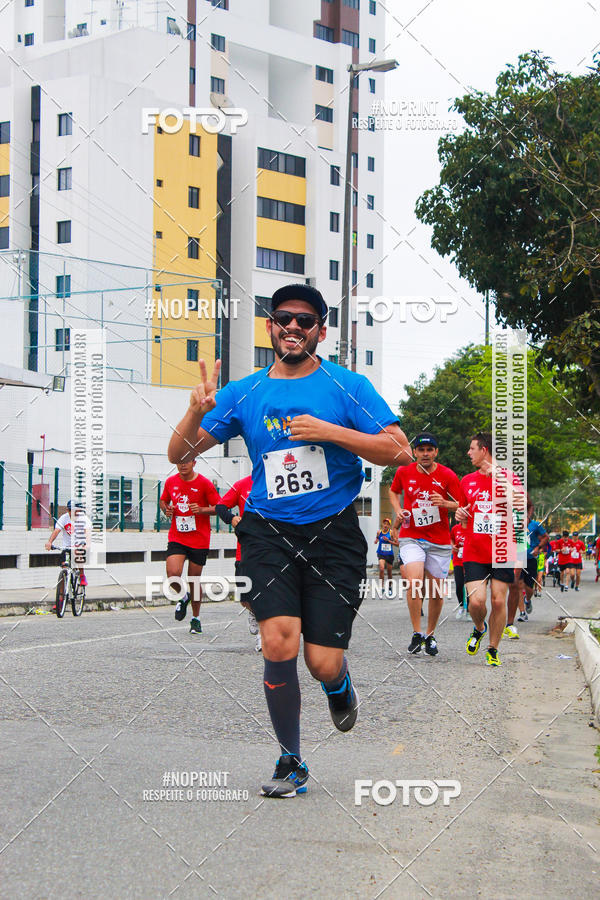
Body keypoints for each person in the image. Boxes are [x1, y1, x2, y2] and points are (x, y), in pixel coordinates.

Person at [168, 283, 411, 798]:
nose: (294, 327)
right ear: (270, 328)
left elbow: (399, 450)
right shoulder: (246, 391)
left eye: (306, 320)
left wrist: (332, 432)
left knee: (321, 660)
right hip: (267, 532)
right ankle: (291, 759)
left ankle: (338, 684)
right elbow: (179, 452)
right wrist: (195, 410)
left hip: (333, 535)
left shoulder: (348, 386)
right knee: (278, 639)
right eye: (284, 318)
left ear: (321, 331)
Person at [388, 433, 461, 657]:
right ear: (415, 453)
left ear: (436, 452)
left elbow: (461, 503)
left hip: (439, 540)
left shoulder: (447, 475)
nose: (425, 454)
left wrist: (445, 503)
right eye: (421, 450)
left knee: (437, 592)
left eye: (430, 450)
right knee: (415, 581)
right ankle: (417, 632)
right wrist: (398, 510)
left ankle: (430, 635)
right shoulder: (404, 472)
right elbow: (393, 491)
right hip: (411, 536)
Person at [456, 432, 524, 667]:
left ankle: (493, 649)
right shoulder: (466, 480)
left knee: (497, 602)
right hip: (475, 549)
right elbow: (463, 514)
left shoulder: (509, 477)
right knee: (476, 602)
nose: (468, 453)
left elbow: (519, 503)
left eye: (472, 448)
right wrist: (459, 514)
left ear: (484, 450)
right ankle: (479, 627)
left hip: (502, 550)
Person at [159, 461, 220, 634]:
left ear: (194, 462)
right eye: (179, 462)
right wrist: (166, 509)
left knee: (194, 579)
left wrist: (201, 510)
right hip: (177, 536)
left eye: (186, 461)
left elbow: (219, 507)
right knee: (172, 574)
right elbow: (163, 500)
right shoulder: (171, 482)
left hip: (199, 539)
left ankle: (196, 618)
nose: (183, 465)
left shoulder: (204, 483)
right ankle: (183, 597)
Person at [215, 475, 261, 651]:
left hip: (271, 551)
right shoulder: (242, 484)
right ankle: (252, 611)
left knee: (266, 594)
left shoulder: (278, 482)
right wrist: (232, 518)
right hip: (245, 551)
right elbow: (220, 506)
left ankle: (262, 637)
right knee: (245, 597)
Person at [45, 500, 89, 587]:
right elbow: (56, 531)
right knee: (64, 567)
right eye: (69, 510)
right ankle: (64, 589)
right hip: (67, 546)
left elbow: (87, 533)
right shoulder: (64, 518)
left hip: (79, 545)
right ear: (67, 510)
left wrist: (87, 545)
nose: (71, 513)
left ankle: (82, 575)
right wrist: (49, 542)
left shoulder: (83, 519)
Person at [518, 502, 548, 615]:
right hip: (518, 559)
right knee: (519, 585)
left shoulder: (535, 525)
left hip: (530, 559)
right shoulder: (514, 525)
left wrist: (538, 548)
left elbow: (545, 537)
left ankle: (528, 600)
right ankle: (522, 612)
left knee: (529, 587)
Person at [375, 517, 399, 596]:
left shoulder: (391, 533)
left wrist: (388, 540)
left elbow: (397, 544)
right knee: (381, 569)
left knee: (389, 572)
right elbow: (377, 538)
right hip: (381, 553)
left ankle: (389, 587)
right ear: (382, 524)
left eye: (387, 524)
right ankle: (381, 587)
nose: (385, 525)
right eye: (384, 523)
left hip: (389, 554)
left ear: (389, 526)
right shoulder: (379, 532)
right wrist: (376, 540)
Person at [451, 520, 467, 618]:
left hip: (470, 559)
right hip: (457, 559)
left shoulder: (472, 528)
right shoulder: (455, 528)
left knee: (469, 585)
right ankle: (461, 606)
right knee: (459, 584)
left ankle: (469, 610)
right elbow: (451, 539)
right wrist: (452, 545)